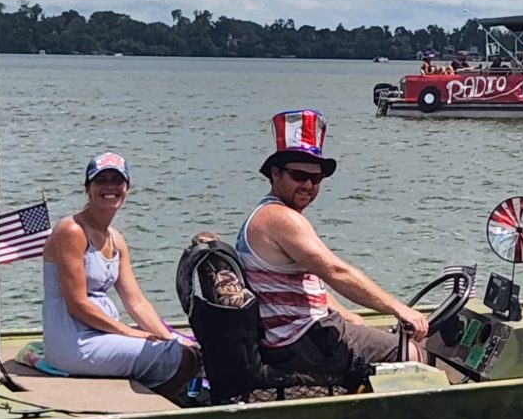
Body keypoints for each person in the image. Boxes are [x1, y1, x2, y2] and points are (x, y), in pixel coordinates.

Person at [236, 109, 430, 384]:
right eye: (298, 175)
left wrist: (344, 313)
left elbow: (302, 285)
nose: (308, 185)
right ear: (275, 174)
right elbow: (336, 271)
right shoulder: (280, 218)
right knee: (409, 351)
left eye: (316, 179)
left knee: (362, 327)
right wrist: (399, 308)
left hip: (289, 334)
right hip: (298, 340)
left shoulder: (270, 214)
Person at [42, 152, 200, 396]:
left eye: (117, 181)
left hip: (103, 332)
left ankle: (161, 395)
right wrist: (132, 334)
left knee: (190, 349)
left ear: (127, 188)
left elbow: (135, 301)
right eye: (101, 180)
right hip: (74, 341)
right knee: (180, 358)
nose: (110, 187)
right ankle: (159, 404)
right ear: (88, 189)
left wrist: (167, 336)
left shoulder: (116, 239)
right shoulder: (71, 231)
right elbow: (77, 304)